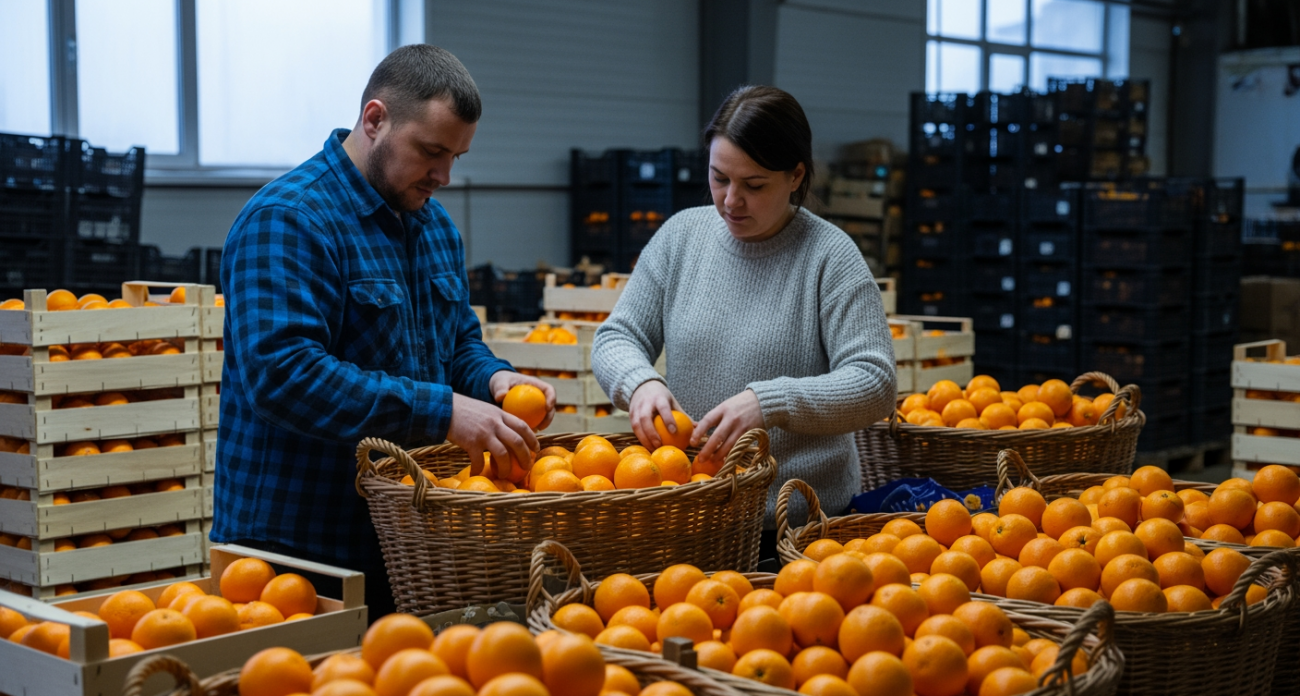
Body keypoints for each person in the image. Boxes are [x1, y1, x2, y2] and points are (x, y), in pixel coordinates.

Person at [211, 45, 555, 617]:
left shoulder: (433, 226)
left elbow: (457, 344)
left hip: (403, 538)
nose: (444, 176)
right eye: (431, 151)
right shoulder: (289, 220)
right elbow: (284, 376)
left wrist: (494, 380)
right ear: (375, 120)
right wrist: (443, 411)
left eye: (456, 156)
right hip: (296, 549)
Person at [591, 85, 897, 565]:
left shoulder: (830, 257)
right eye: (719, 178)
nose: (731, 200)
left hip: (800, 530)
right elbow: (617, 336)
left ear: (796, 176)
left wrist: (769, 402)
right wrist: (640, 381)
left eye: (754, 186)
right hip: (695, 512)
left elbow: (874, 382)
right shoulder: (680, 238)